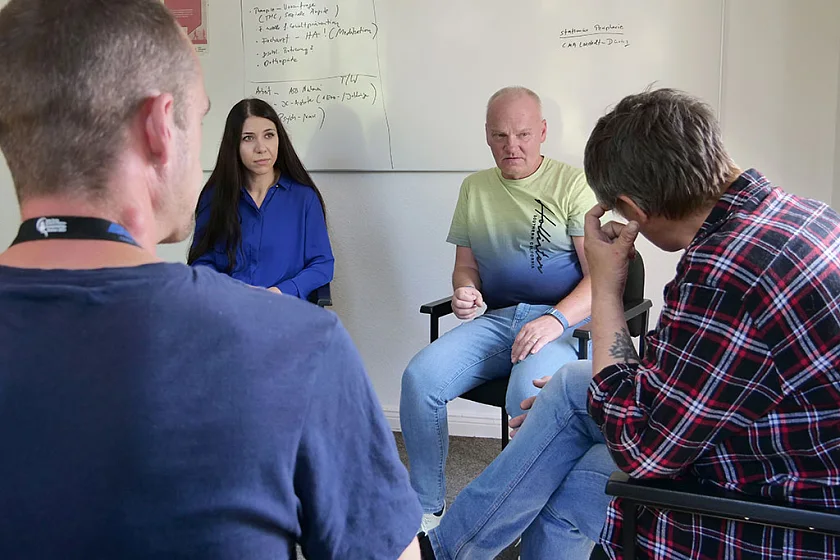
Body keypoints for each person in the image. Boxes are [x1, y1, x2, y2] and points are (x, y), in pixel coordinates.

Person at [0, 1, 421, 558]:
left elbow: (320, 266)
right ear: (159, 128)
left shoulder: (301, 216)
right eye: (199, 118)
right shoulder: (303, 350)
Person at [421, 88, 840, 559]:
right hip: (766, 438)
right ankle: (442, 550)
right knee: (569, 385)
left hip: (775, 503)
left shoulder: (724, 271)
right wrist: (586, 401)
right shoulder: (795, 214)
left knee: (567, 485)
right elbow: (687, 375)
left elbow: (643, 450)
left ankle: (442, 550)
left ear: (634, 209)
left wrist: (605, 284)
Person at [400, 86, 598, 533]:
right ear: (487, 137)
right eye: (501, 136)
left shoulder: (572, 184)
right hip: (501, 318)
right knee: (420, 379)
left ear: (543, 131)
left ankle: (513, 518)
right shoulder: (474, 189)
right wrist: (464, 293)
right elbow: (465, 268)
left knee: (523, 396)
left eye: (524, 134)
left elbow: (600, 278)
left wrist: (555, 320)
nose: (513, 146)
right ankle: (428, 508)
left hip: (562, 322)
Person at [188, 98, 334, 302]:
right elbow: (201, 263)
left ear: (279, 138)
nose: (261, 148)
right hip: (230, 309)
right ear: (234, 145)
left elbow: (322, 264)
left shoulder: (303, 198)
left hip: (285, 311)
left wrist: (282, 291)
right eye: (248, 138)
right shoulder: (214, 197)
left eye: (269, 135)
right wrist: (229, 290)